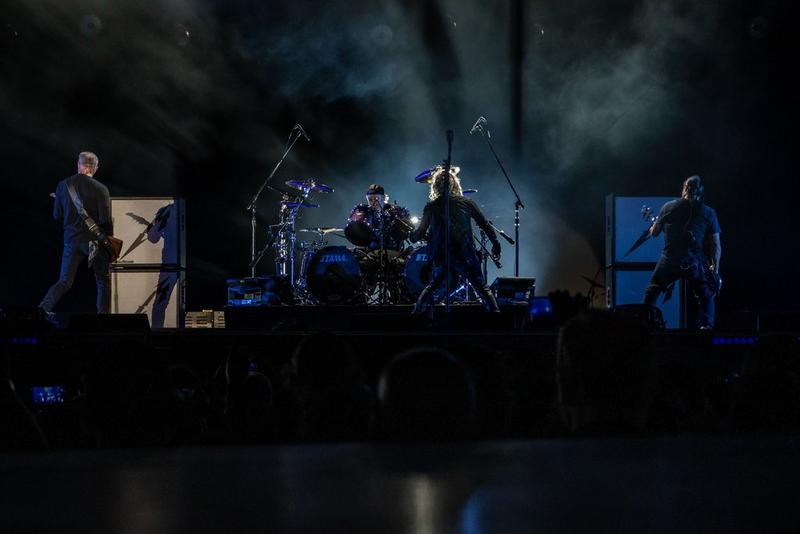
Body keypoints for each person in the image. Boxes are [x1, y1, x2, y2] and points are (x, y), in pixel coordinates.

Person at [409, 167, 501, 313]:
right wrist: (496, 244)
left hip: (442, 254)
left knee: (432, 286)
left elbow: (419, 233)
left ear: (435, 186)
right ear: (454, 184)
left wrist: (411, 236)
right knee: (482, 288)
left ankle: (416, 317)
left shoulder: (431, 207)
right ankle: (498, 323)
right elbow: (485, 225)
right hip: (465, 253)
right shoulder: (467, 202)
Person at [643, 175, 721, 329]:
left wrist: (653, 224)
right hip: (694, 262)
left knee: (652, 290)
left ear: (684, 188)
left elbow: (654, 233)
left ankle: (646, 326)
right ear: (701, 192)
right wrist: (715, 269)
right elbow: (716, 245)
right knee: (706, 295)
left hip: (670, 260)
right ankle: (706, 329)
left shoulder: (668, 207)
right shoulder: (708, 212)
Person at [39, 152, 113, 315]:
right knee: (102, 280)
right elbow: (105, 220)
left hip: (71, 241)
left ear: (78, 165)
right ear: (95, 168)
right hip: (93, 243)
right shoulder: (101, 189)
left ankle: (42, 311)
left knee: (64, 281)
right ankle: (104, 319)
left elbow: (57, 216)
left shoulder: (63, 186)